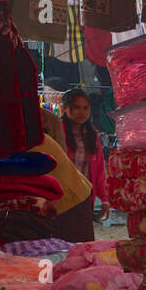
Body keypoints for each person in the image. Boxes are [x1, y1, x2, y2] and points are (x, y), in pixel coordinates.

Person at [60, 87, 109, 223]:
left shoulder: (92, 136)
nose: (82, 112)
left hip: (85, 198)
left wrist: (104, 199)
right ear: (65, 108)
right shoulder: (56, 131)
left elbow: (99, 171)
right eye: (76, 107)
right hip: (61, 198)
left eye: (85, 108)